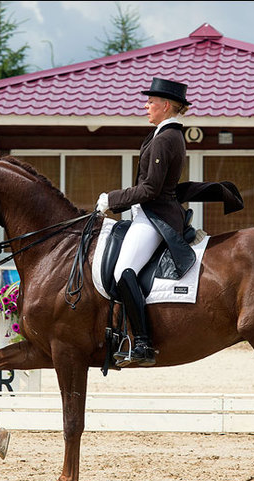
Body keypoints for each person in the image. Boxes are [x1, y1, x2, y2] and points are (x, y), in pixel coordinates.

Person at [95, 77, 192, 367]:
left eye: (151, 102)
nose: (146, 105)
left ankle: (142, 342)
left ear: (165, 105)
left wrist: (112, 200)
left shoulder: (166, 138)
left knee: (124, 271)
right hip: (147, 214)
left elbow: (150, 189)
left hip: (155, 216)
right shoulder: (162, 134)